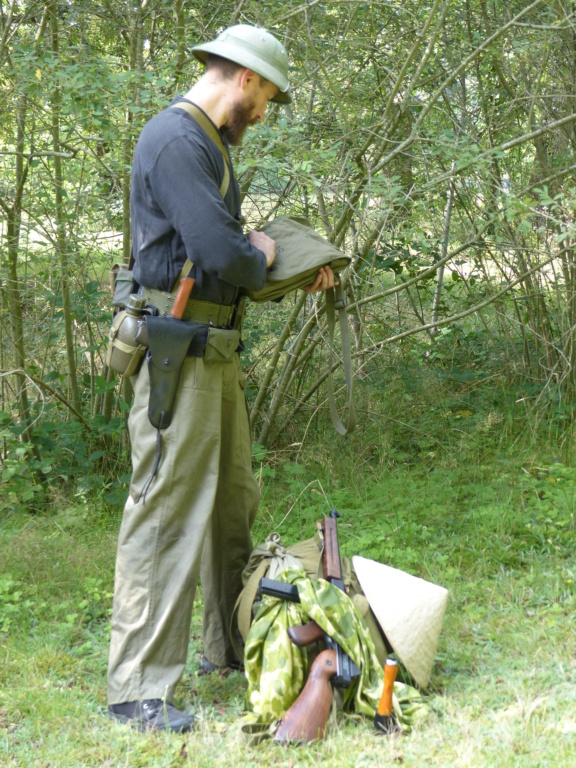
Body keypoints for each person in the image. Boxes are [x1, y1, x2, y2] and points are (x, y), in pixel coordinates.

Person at [106, 24, 335, 733]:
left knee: (232, 503)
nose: (263, 111)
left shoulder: (205, 142)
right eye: (265, 95)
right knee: (166, 509)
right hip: (179, 352)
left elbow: (223, 263)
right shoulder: (177, 140)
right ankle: (137, 689)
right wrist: (261, 249)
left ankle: (227, 649)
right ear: (243, 77)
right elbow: (220, 250)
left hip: (213, 349)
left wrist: (288, 269)